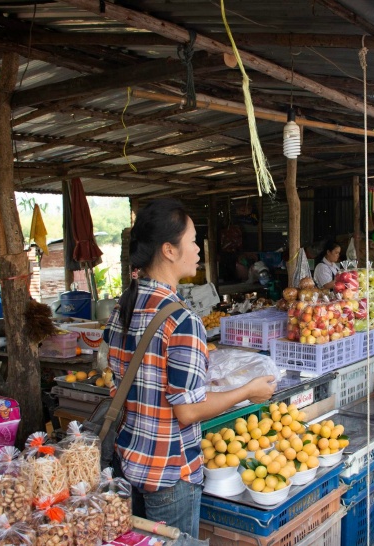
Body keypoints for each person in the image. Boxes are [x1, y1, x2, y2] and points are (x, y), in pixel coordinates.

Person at [103, 199, 276, 537]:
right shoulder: (182, 319)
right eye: (193, 240)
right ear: (169, 250)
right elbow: (187, 411)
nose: (198, 249)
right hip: (169, 475)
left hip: (127, 463)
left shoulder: (122, 308)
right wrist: (248, 391)